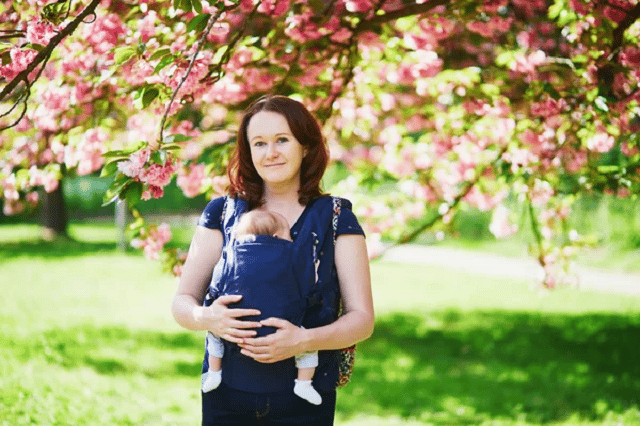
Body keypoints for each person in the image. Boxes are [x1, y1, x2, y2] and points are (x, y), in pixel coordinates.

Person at [171, 95, 374, 425]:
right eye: (259, 143)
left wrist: (303, 340)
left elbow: (362, 319)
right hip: (226, 399)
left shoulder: (336, 217)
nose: (271, 152)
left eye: (282, 140)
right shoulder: (221, 213)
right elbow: (182, 302)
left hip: (305, 403)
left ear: (306, 146)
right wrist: (208, 318)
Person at [201, 209, 322, 405]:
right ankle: (304, 383)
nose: (290, 240)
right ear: (276, 237)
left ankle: (214, 372)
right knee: (308, 346)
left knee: (214, 335)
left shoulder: (231, 255)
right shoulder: (294, 254)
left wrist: (211, 304)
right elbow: (309, 286)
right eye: (288, 235)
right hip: (281, 330)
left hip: (236, 330)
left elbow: (216, 284)